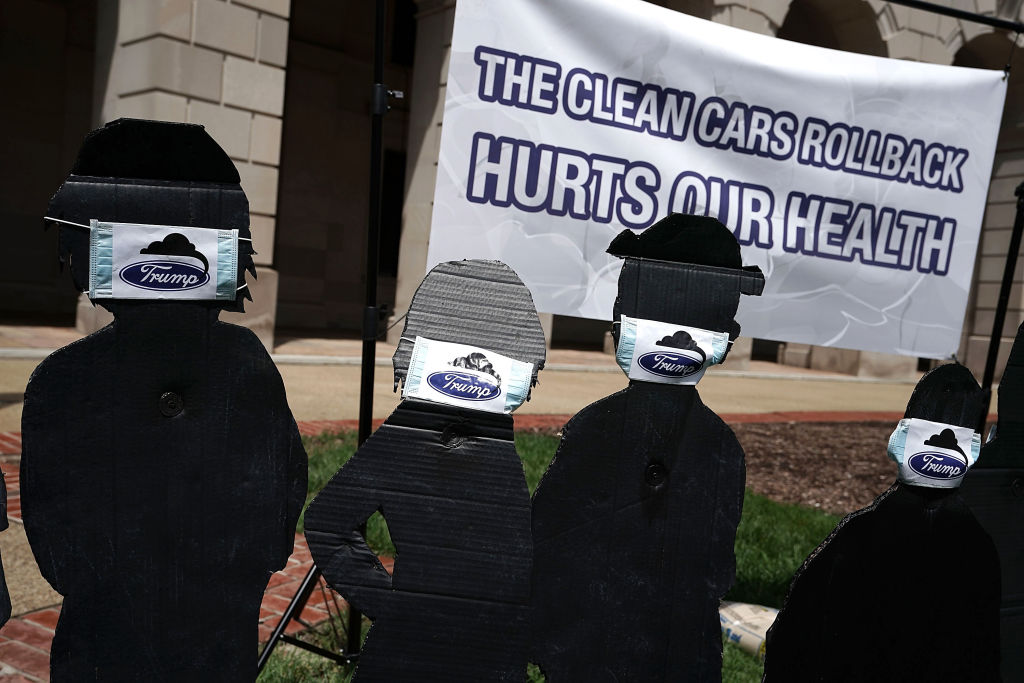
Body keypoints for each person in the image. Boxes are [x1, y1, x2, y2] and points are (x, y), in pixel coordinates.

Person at [21, 119, 307, 681]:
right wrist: (244, 570)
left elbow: (51, 523)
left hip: (112, 636)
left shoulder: (61, 376)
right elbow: (282, 481)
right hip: (208, 628)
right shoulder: (246, 359)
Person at [530, 213, 764, 681]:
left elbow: (550, 533)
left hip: (650, 644)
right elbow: (551, 535)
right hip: (611, 642)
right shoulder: (605, 428)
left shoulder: (716, 447)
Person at [305, 259, 546, 681]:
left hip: (494, 647)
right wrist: (397, 609)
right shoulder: (406, 435)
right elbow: (328, 522)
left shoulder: (498, 442)